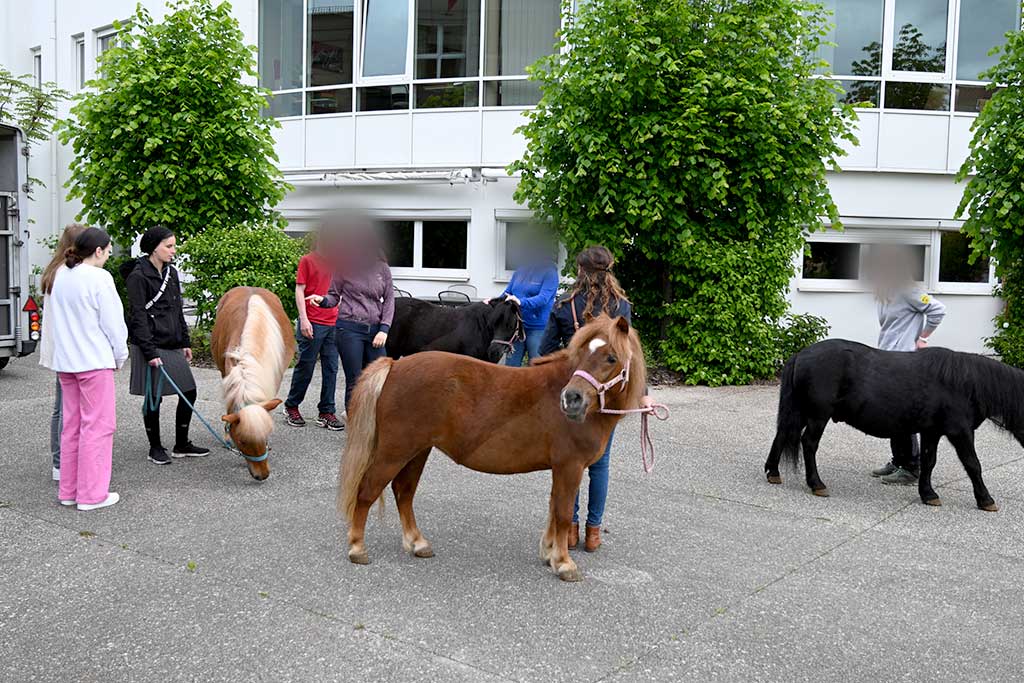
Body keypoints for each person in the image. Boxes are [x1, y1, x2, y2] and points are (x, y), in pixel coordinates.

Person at [539, 245, 652, 552]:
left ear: (579, 271)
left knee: (568, 461)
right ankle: (593, 533)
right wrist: (642, 396)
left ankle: (570, 529)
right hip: (607, 397)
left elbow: (545, 350)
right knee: (600, 465)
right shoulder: (621, 308)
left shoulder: (565, 305)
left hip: (574, 393)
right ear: (609, 270)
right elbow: (631, 357)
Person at [48, 227, 128, 510]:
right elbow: (114, 326)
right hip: (94, 362)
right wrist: (120, 357)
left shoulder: (61, 274)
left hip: (66, 363)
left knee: (71, 427)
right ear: (98, 251)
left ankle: (69, 491)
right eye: (108, 251)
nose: (108, 256)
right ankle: (92, 495)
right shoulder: (100, 278)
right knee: (98, 427)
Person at [124, 225, 209, 465]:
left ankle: (181, 444)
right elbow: (138, 316)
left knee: (189, 391)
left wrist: (185, 341)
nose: (174, 250)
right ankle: (155, 447)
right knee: (154, 397)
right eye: (169, 246)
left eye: (174, 245)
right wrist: (149, 352)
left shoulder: (171, 273)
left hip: (172, 343)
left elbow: (177, 309)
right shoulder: (138, 276)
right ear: (153, 248)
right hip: (149, 344)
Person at [867, 244, 947, 485]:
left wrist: (923, 338)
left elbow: (938, 310)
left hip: (905, 361)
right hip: (887, 359)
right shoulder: (886, 291)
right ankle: (899, 460)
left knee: (903, 414)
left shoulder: (907, 289)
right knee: (891, 413)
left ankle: (912, 467)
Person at [309, 225, 395, 411]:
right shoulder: (344, 268)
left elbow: (389, 299)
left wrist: (384, 329)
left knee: (380, 378)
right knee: (354, 380)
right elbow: (333, 296)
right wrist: (322, 300)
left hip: (375, 331)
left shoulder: (382, 269)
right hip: (349, 329)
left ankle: (374, 419)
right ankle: (354, 423)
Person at [39, 223, 88, 482]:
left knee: (62, 407)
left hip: (60, 349)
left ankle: (60, 462)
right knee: (68, 408)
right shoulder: (69, 274)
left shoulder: (53, 271)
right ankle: (62, 462)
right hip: (71, 350)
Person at [283, 235, 343, 430]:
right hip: (312, 322)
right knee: (306, 367)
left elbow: (340, 291)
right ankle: (291, 406)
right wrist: (304, 320)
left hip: (333, 323)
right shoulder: (307, 260)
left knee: (331, 369)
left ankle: (326, 412)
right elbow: (299, 290)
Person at [489, 236, 559, 367]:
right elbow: (507, 292)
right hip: (517, 326)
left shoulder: (550, 273)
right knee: (511, 366)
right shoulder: (521, 270)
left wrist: (521, 302)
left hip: (538, 327)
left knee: (536, 366)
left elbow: (543, 299)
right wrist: (493, 302)